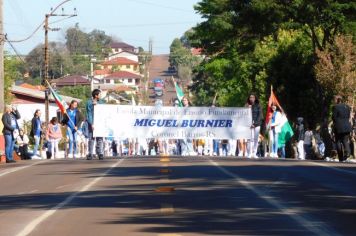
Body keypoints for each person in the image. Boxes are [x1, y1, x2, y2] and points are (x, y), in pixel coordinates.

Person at [332, 95, 352, 162]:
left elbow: (334, 117)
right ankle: (348, 152)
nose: (333, 101)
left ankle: (340, 157)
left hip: (338, 126)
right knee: (345, 140)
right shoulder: (347, 107)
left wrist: (334, 125)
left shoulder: (335, 107)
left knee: (338, 141)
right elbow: (348, 116)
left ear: (337, 99)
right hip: (347, 126)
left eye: (334, 99)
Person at [86, 89, 105, 160]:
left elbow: (104, 109)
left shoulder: (102, 102)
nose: (100, 96)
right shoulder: (89, 103)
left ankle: (100, 153)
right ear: (96, 95)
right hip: (92, 123)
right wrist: (91, 123)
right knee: (91, 138)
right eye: (99, 94)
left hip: (100, 123)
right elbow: (88, 114)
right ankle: (90, 153)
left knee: (100, 139)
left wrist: (98, 104)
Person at [245, 94, 263, 158]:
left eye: (253, 97)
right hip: (249, 125)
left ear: (255, 98)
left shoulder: (258, 105)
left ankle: (254, 153)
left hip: (257, 124)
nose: (251, 98)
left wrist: (255, 124)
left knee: (256, 139)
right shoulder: (247, 105)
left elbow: (260, 116)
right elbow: (243, 115)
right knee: (249, 139)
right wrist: (248, 109)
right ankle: (249, 153)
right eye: (250, 97)